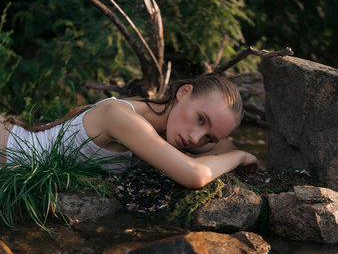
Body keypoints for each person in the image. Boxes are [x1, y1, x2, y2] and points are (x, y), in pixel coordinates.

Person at [0, 74, 258, 188]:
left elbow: (221, 148)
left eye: (208, 136)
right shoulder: (124, 118)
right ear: (184, 92)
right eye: (201, 119)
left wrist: (222, 147)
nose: (195, 138)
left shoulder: (162, 126)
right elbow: (196, 176)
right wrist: (240, 157)